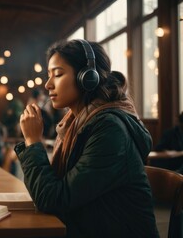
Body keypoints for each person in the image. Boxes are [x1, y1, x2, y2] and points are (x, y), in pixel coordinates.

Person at [14, 39, 159, 237]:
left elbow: (54, 199)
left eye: (58, 74)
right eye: (49, 76)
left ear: (87, 78)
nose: (48, 84)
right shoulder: (74, 124)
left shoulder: (109, 129)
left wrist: (33, 142)